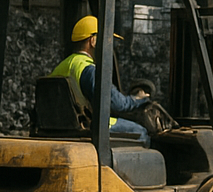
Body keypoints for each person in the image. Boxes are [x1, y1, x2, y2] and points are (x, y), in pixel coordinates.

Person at [50, 16, 150, 146]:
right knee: (142, 132)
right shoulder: (89, 70)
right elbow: (117, 104)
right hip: (89, 126)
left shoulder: (62, 66)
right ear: (93, 41)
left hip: (63, 127)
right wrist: (138, 99)